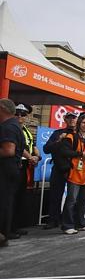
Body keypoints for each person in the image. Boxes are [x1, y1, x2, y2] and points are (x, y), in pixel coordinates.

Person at [59, 113, 85, 235]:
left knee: (83, 200)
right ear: (79, 123)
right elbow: (64, 151)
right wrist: (81, 154)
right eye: (83, 122)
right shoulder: (71, 136)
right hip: (74, 173)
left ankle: (80, 224)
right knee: (71, 200)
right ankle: (67, 225)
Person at [10, 103, 41, 238]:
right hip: (15, 165)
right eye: (17, 114)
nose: (19, 117)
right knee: (11, 198)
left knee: (20, 197)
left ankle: (15, 226)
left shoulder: (26, 130)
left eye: (23, 115)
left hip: (25, 167)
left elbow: (33, 145)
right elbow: (17, 147)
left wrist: (37, 156)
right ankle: (8, 228)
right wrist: (30, 157)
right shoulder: (12, 129)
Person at [42, 111, 78, 230]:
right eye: (69, 118)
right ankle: (53, 220)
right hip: (59, 168)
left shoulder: (79, 134)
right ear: (65, 120)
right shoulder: (58, 133)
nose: (72, 120)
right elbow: (46, 149)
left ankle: (70, 219)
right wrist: (59, 141)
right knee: (55, 195)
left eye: (74, 118)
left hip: (75, 169)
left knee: (73, 197)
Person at [0, 100, 25, 247]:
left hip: (6, 169)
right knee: (6, 202)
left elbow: (9, 150)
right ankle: (4, 234)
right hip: (13, 169)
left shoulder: (8, 127)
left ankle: (2, 234)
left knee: (3, 202)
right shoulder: (15, 126)